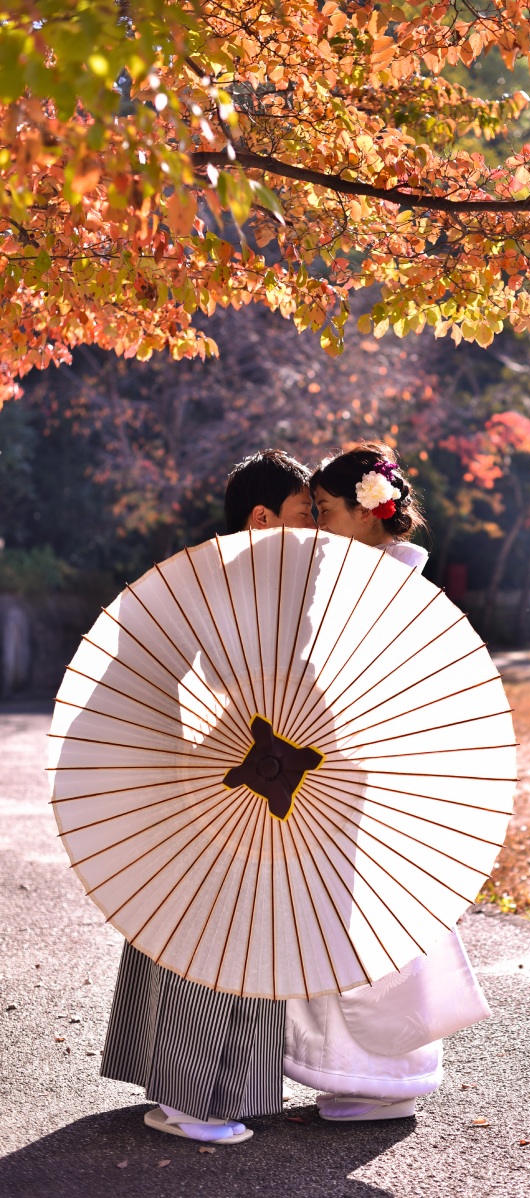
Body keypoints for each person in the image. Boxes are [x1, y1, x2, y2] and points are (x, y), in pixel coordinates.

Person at [100, 448, 313, 1145]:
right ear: (261, 517)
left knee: (245, 930)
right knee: (212, 930)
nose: (314, 529)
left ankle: (220, 1091)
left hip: (254, 777)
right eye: (304, 514)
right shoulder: (220, 584)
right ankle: (189, 1101)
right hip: (216, 778)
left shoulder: (259, 583)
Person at [283, 442, 491, 1122]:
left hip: (368, 773)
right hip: (340, 771)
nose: (317, 523)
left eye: (325, 509)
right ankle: (359, 1072)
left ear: (372, 510)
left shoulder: (384, 584)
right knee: (344, 922)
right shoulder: (360, 577)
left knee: (369, 926)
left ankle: (381, 1078)